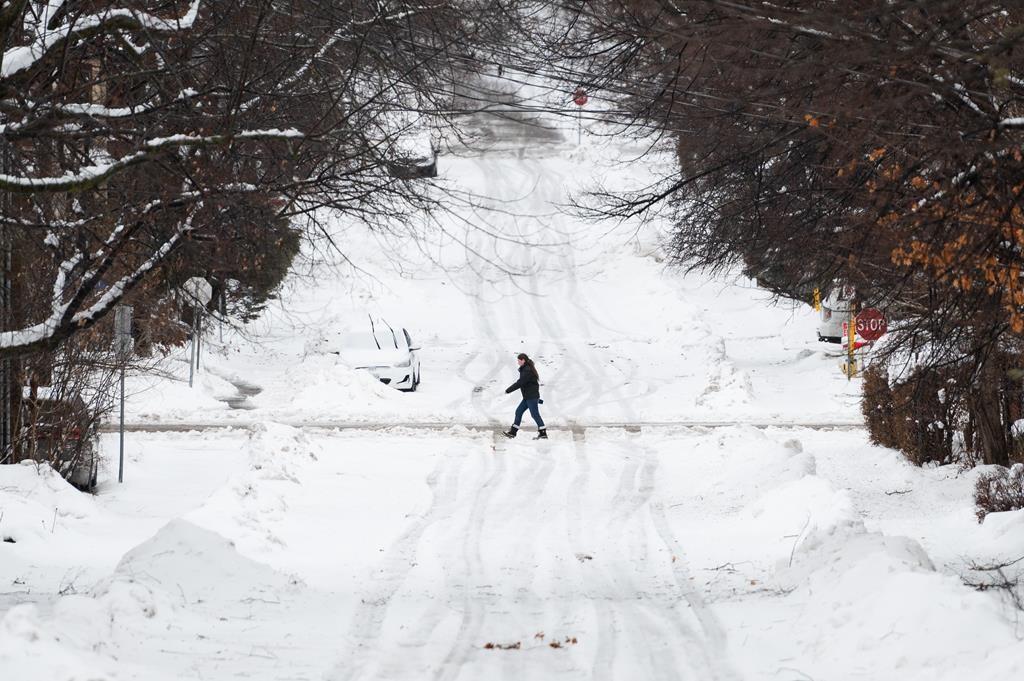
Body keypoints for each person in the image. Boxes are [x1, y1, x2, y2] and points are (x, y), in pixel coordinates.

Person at [504, 353, 546, 439]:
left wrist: (508, 390)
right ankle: (513, 432)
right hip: (528, 397)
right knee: (518, 412)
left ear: (523, 360)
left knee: (535, 415)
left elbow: (520, 382)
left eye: (519, 361)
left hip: (531, 397)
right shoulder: (525, 369)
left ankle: (543, 433)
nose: (518, 362)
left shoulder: (527, 370)